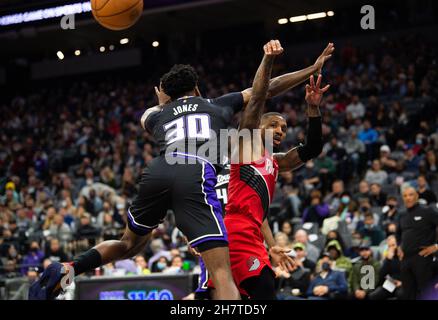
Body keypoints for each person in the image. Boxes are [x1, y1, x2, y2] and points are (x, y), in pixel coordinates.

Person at [30, 40, 334, 300]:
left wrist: (164, 101)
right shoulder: (216, 105)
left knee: (128, 244)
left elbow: (157, 112)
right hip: (195, 172)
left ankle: (69, 268)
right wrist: (310, 68)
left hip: (159, 170)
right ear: (197, 88)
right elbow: (263, 91)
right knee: (221, 271)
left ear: (165, 95)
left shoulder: (155, 115)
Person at [223, 42, 332, 299]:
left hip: (253, 233)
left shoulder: (276, 162)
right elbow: (259, 95)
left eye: (283, 128)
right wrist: (269, 59)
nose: (281, 131)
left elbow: (312, 148)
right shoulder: (246, 146)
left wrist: (313, 108)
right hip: (237, 231)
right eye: (274, 125)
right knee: (263, 289)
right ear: (258, 127)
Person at [397, 186, 438, 300]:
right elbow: (398, 233)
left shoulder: (427, 211)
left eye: (410, 195)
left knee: (426, 292)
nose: (408, 198)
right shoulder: (401, 214)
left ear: (417, 196)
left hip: (422, 256)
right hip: (405, 259)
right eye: (405, 196)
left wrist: (436, 246)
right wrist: (399, 246)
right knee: (408, 293)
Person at [369, 235, 403, 300]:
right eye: (389, 246)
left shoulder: (406, 256)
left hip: (404, 284)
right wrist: (388, 260)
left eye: (393, 245)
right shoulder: (389, 258)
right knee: (373, 296)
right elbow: (382, 275)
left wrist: (402, 283)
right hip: (391, 284)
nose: (391, 248)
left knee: (401, 294)